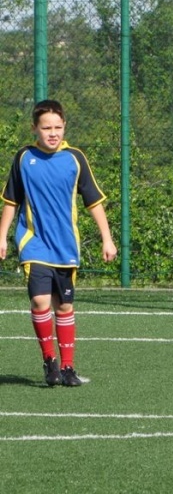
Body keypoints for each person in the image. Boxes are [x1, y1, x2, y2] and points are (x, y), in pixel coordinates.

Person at [0, 99, 117, 386]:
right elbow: (11, 201)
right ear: (35, 129)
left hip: (65, 247)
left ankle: (67, 368)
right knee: (40, 300)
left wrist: (107, 238)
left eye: (58, 127)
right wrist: (1, 235)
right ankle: (49, 361)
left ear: (64, 127)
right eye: (46, 128)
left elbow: (94, 202)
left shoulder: (75, 159)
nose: (53, 133)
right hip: (33, 243)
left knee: (63, 307)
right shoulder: (23, 158)